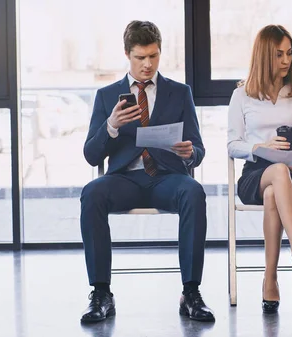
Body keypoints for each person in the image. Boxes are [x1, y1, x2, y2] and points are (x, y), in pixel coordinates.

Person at [80, 20, 214, 323]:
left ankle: (190, 292)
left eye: (153, 56)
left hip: (166, 178)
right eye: (141, 57)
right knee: (92, 193)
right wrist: (111, 126)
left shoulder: (180, 93)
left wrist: (189, 152)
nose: (148, 64)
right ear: (128, 54)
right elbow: (91, 155)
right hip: (124, 179)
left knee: (194, 191)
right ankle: (101, 293)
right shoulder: (106, 96)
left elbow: (199, 150)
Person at [227, 24, 292, 314]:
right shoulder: (242, 95)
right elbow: (232, 145)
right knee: (275, 173)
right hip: (256, 173)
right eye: (279, 54)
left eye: (289, 53)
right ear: (264, 56)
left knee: (276, 188)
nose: (286, 60)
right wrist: (258, 147)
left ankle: (270, 279)